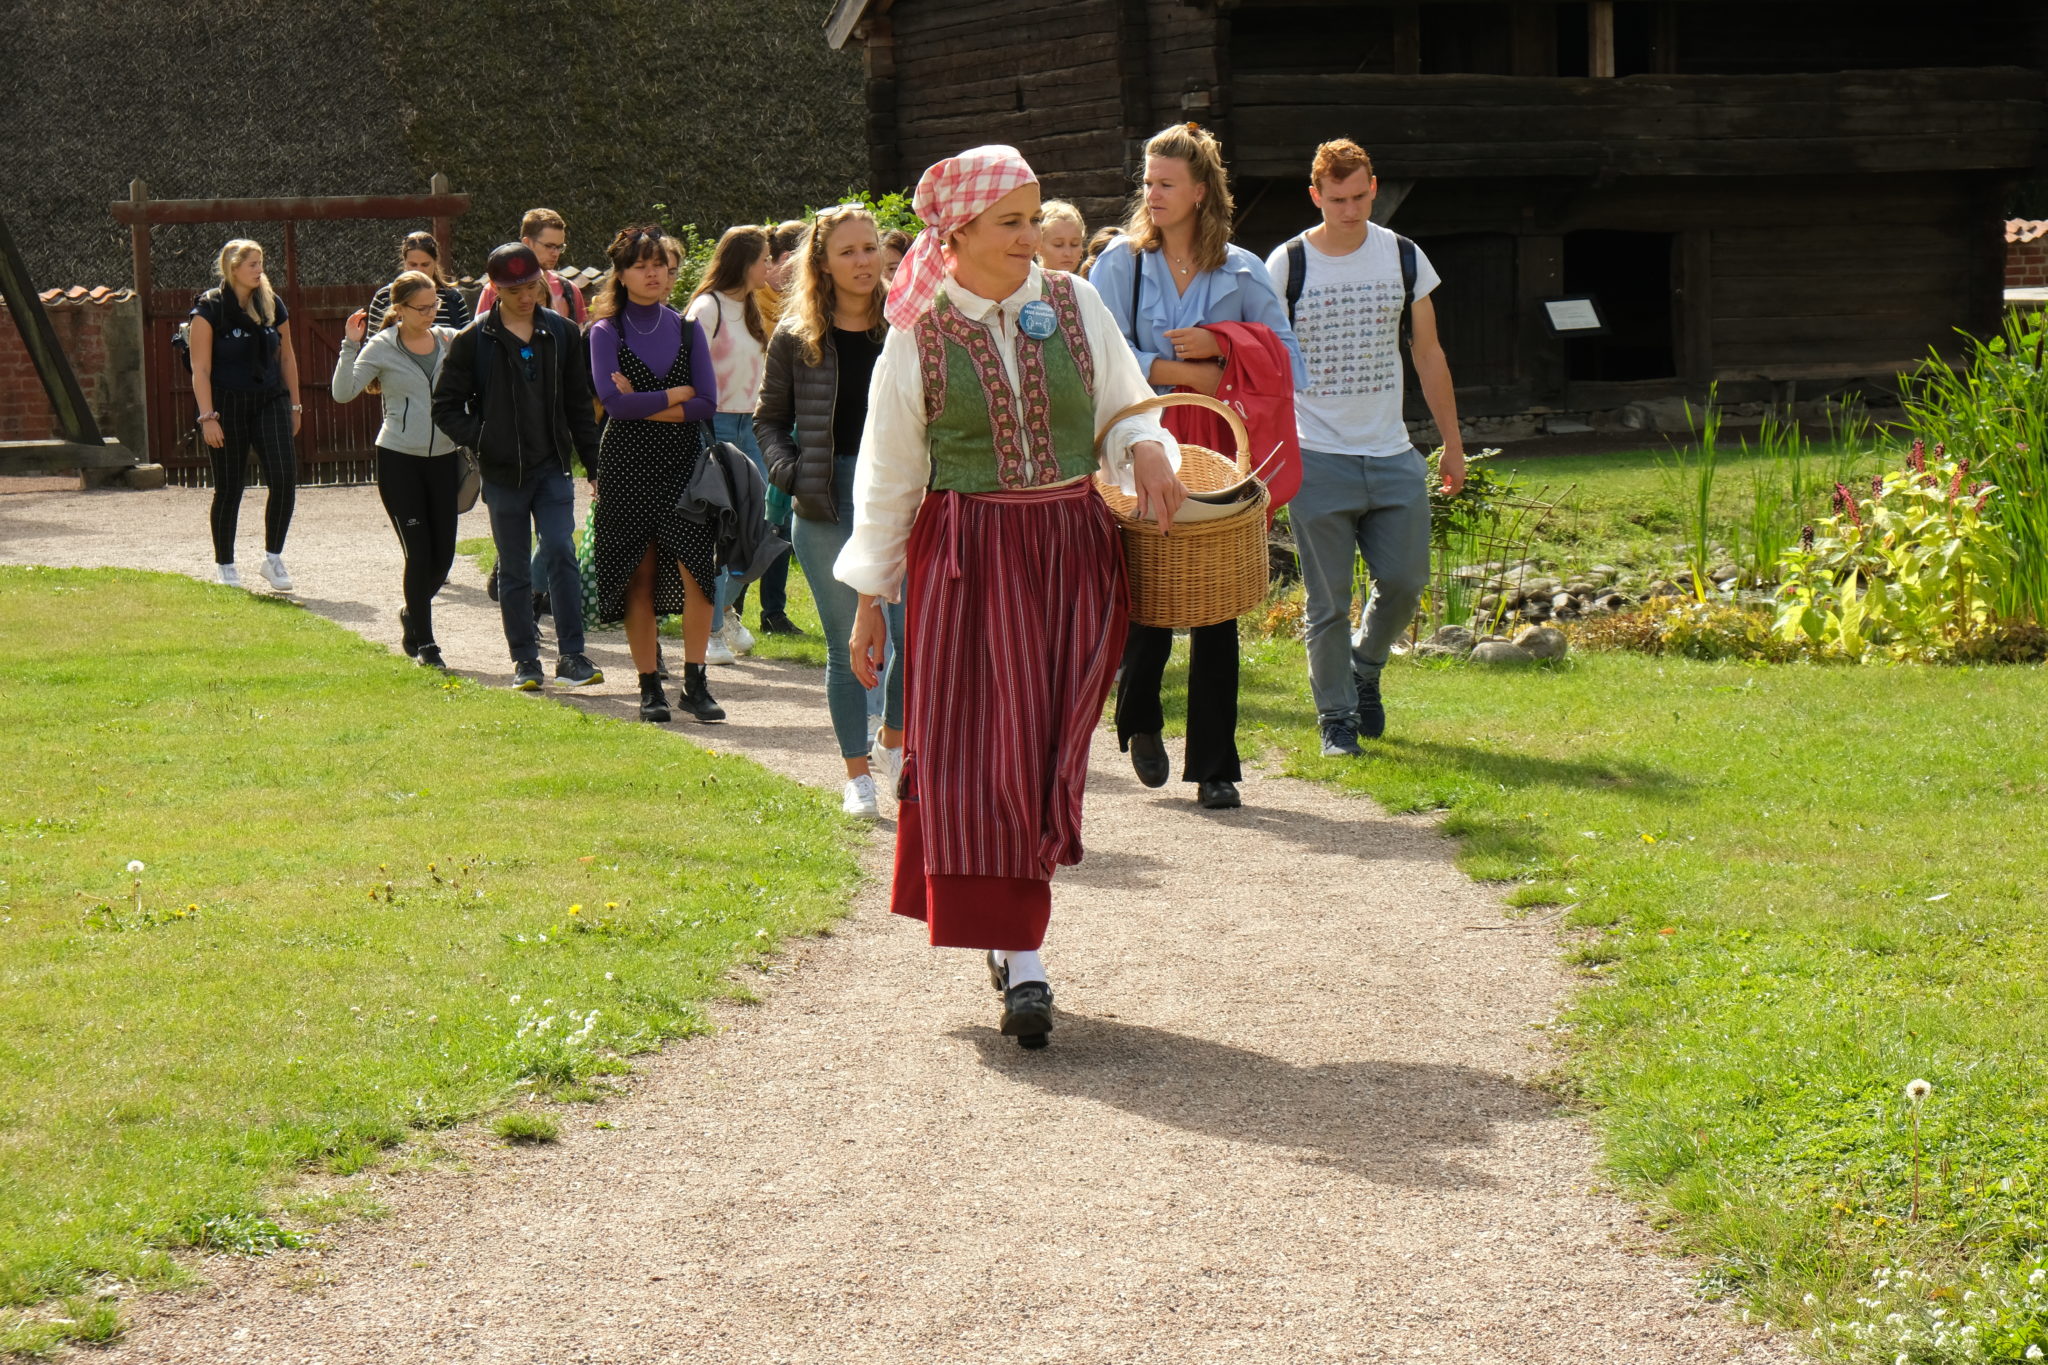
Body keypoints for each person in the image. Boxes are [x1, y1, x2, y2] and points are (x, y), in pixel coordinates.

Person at [835, 146, 1185, 1050]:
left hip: (1073, 550)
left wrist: (1146, 446)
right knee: (988, 754)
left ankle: (1010, 938)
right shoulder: (918, 331)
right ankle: (1021, 958)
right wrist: (874, 599)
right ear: (956, 232)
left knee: (1045, 751)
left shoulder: (1073, 303)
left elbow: (1127, 399)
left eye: (1036, 219)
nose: (1032, 240)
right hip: (969, 557)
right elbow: (889, 474)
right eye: (1013, 223)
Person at [1088, 122, 1304, 812]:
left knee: (1215, 603)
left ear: (1200, 192)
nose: (1151, 194)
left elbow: (1286, 360)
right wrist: (1180, 369)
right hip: (1143, 445)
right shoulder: (1119, 264)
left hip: (1220, 447)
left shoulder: (1242, 270)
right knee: (1150, 591)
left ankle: (1217, 766)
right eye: (1147, 183)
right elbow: (1100, 355)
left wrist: (1223, 344)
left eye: (1165, 183)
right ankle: (1141, 714)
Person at [1267, 138, 1466, 755]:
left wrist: (1452, 445)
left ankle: (1366, 666)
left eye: (1359, 197)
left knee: (1406, 583)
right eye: (1336, 200)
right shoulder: (1288, 263)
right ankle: (1337, 721)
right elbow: (1267, 365)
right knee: (1326, 603)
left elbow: (1427, 353)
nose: (1349, 210)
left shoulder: (1404, 257)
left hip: (1391, 451)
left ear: (1373, 187)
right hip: (1316, 453)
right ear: (1315, 196)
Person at [756, 205, 905, 817]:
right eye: (847, 251)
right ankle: (857, 774)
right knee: (851, 646)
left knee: (909, 640)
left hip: (899, 496)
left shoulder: (909, 322)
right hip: (824, 497)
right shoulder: (796, 335)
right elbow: (768, 419)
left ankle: (893, 738)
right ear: (822, 261)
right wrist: (789, 472)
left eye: (869, 248)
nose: (863, 261)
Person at [432, 242, 603, 692]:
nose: (525, 297)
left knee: (561, 552)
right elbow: (445, 406)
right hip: (504, 475)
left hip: (552, 469)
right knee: (513, 569)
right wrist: (486, 439)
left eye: (531, 286)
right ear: (494, 289)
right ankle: (525, 660)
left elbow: (579, 407)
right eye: (514, 290)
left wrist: (595, 465)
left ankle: (572, 656)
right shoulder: (474, 341)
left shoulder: (564, 334)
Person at [585, 225, 726, 723]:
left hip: (684, 466)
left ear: (671, 272)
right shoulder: (606, 331)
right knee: (638, 578)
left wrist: (647, 403)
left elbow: (708, 403)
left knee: (698, 575)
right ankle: (650, 687)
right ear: (621, 275)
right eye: (640, 264)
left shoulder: (688, 329)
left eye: (659, 264)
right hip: (626, 466)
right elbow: (614, 405)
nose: (651, 272)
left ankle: (695, 681)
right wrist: (675, 395)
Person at [332, 270, 464, 668]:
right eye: (421, 308)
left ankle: (412, 612)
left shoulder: (449, 341)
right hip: (398, 460)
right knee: (419, 552)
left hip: (444, 459)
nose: (430, 314)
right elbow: (342, 393)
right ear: (400, 309)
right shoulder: (381, 346)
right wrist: (349, 346)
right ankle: (426, 644)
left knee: (444, 555)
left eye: (434, 306)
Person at [686, 225, 799, 645]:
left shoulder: (752, 307)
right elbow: (690, 369)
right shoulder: (707, 307)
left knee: (762, 528)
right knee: (718, 529)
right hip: (711, 424)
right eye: (765, 259)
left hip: (750, 425)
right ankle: (711, 628)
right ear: (745, 262)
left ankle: (722, 612)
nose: (771, 266)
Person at [187, 238, 302, 591]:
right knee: (229, 487)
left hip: (269, 399)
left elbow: (287, 357)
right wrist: (208, 417)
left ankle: (273, 559)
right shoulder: (210, 308)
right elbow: (200, 368)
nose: (259, 270)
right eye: (252, 264)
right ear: (233, 268)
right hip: (226, 404)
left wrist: (295, 405)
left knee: (284, 477)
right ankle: (225, 564)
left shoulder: (271, 304)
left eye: (261, 263)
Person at [474, 207, 586, 325]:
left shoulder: (569, 290)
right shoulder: (497, 289)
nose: (556, 253)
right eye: (549, 246)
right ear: (527, 243)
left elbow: (579, 337)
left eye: (559, 247)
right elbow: (480, 337)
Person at [366, 231, 470, 331]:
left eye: (425, 264)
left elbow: (466, 345)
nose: (419, 270)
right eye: (413, 264)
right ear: (405, 263)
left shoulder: (454, 300)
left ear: (435, 262)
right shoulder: (384, 297)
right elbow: (372, 345)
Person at [1036, 200, 1086, 273]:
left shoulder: (1083, 284)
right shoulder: (1027, 283)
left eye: (1074, 244)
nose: (1068, 253)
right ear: (1038, 246)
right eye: (1058, 245)